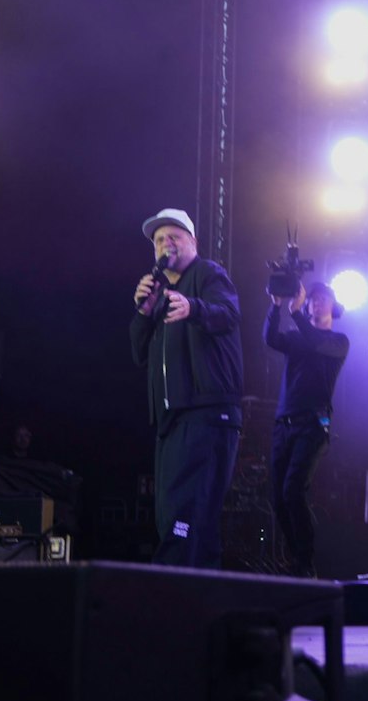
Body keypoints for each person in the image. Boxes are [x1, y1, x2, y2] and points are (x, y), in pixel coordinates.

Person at [130, 208, 244, 569]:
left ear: (193, 242)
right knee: (180, 519)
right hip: (172, 418)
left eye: (174, 237)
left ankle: (165, 599)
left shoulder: (209, 274)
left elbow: (228, 314)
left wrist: (193, 307)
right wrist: (143, 313)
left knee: (184, 514)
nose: (166, 244)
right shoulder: (162, 291)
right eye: (159, 240)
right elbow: (138, 354)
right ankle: (202, 606)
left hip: (206, 412)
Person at [262, 280, 349, 577]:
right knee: (278, 496)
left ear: (333, 305)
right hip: (284, 422)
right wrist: (276, 305)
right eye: (312, 299)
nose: (316, 302)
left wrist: (296, 313)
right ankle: (296, 558)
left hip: (313, 424)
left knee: (293, 489)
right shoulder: (297, 337)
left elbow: (316, 342)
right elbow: (270, 338)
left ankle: (305, 561)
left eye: (323, 298)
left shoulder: (338, 341)